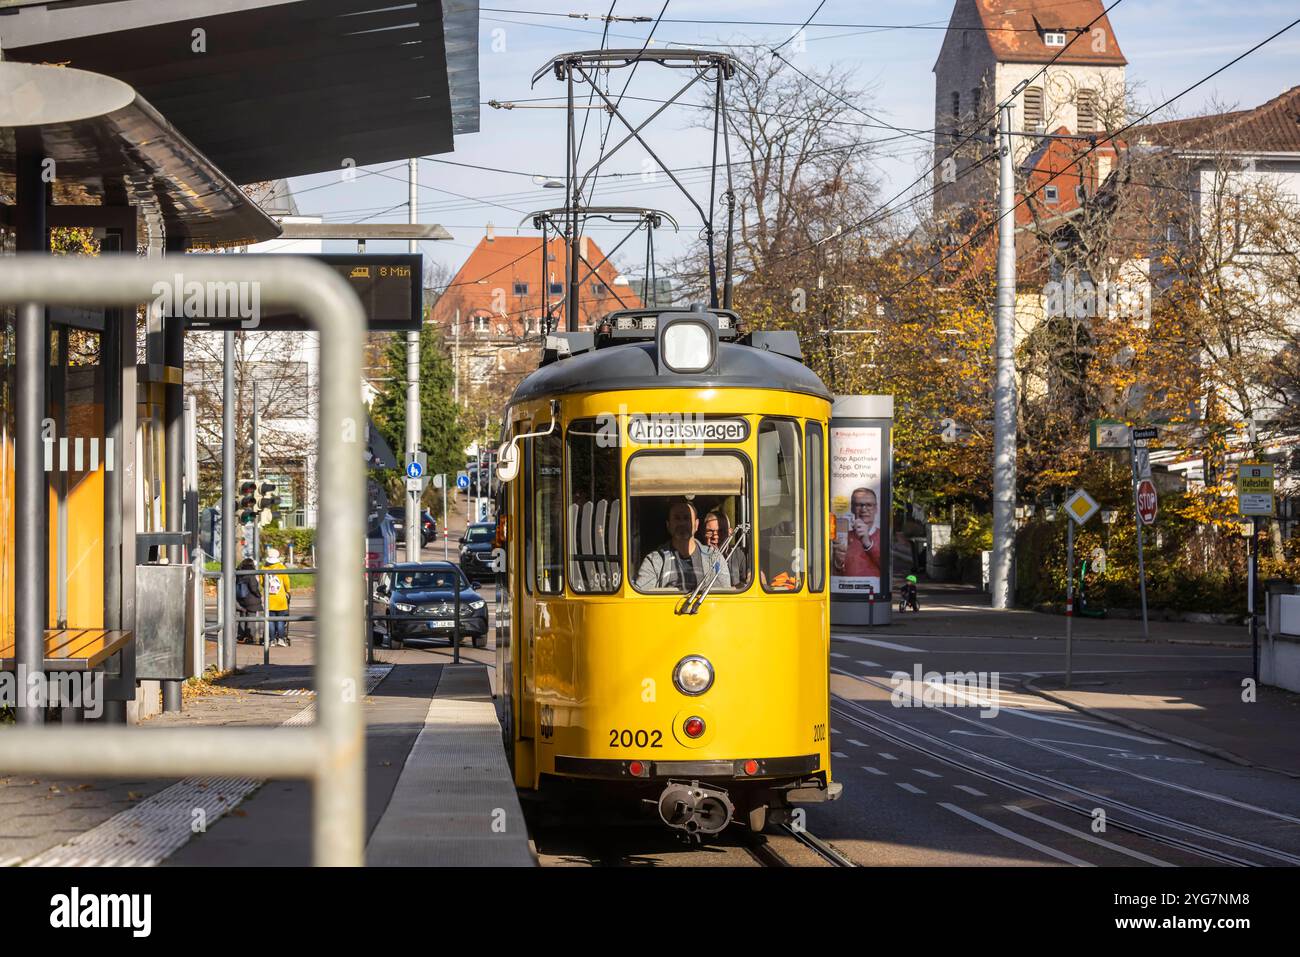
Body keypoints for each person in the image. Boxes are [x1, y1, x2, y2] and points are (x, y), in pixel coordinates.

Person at [636, 499, 731, 592]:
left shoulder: (714, 558)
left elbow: (725, 597)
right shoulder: (654, 561)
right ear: (668, 525)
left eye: (687, 518)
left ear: (696, 525)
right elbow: (641, 599)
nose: (682, 523)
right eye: (677, 518)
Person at [833, 486, 881, 579]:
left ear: (876, 509)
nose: (863, 509)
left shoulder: (882, 536)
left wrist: (868, 544)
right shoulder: (842, 538)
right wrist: (838, 563)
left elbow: (887, 568)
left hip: (874, 591)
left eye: (869, 505)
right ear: (852, 509)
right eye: (859, 505)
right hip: (847, 590)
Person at [700, 510, 747, 588]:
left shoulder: (739, 554)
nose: (715, 536)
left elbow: (750, 580)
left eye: (720, 531)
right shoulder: (698, 555)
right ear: (703, 533)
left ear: (730, 532)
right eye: (710, 531)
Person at [264, 546, 292, 647]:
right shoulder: (282, 568)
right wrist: (288, 591)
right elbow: (286, 582)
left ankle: (271, 640)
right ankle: (281, 639)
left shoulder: (264, 568)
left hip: (269, 599)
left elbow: (262, 583)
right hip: (281, 598)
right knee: (280, 619)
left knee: (270, 620)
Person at [235, 557, 262, 643]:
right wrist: (259, 595)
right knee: (251, 618)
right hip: (251, 599)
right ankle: (250, 637)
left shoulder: (238, 573)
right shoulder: (250, 573)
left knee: (242, 617)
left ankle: (240, 636)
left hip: (240, 598)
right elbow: (253, 587)